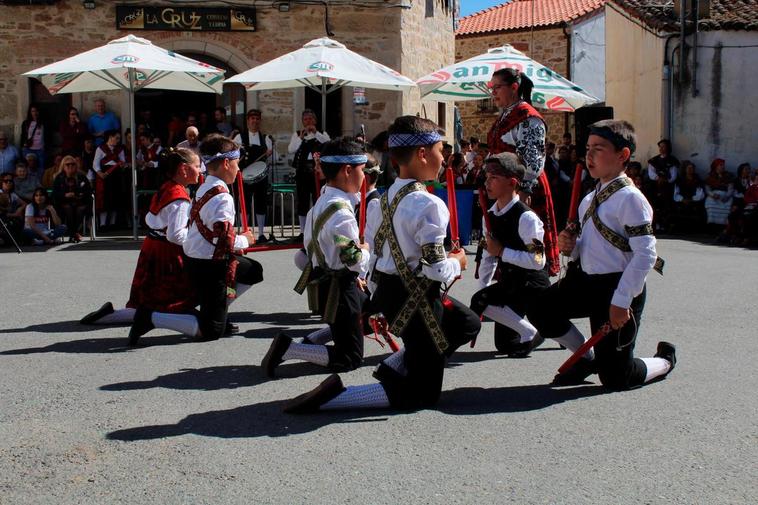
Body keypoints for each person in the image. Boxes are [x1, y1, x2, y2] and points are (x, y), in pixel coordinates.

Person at [283, 116, 480, 414]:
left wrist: (379, 293)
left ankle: (398, 364)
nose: (444, 158)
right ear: (422, 154)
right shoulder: (429, 205)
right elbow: (436, 270)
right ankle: (336, 397)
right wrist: (458, 261)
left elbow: (373, 258)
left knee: (466, 323)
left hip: (391, 292)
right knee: (422, 394)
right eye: (441, 150)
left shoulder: (380, 201)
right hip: (417, 300)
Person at [530, 119, 675, 389]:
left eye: (599, 148)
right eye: (588, 148)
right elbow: (588, 248)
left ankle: (665, 359)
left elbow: (645, 255)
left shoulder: (631, 198)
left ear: (622, 156)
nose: (589, 155)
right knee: (540, 308)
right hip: (586, 282)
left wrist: (621, 301)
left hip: (617, 287)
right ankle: (586, 357)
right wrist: (571, 247)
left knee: (617, 378)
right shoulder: (589, 198)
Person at [127, 135, 263, 345]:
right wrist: (245, 240)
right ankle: (150, 317)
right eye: (236, 164)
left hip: (195, 258)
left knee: (253, 270)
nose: (238, 169)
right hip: (209, 264)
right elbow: (223, 242)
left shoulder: (203, 187)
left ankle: (219, 310)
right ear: (226, 163)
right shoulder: (223, 197)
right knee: (211, 332)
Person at [262, 138, 370, 376]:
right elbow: (352, 258)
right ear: (348, 170)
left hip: (324, 285)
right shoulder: (341, 212)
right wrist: (366, 250)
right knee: (349, 358)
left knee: (370, 310)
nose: (364, 177)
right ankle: (290, 349)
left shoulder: (321, 203)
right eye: (362, 170)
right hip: (340, 290)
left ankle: (312, 339)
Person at [80, 148, 213, 329]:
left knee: (147, 299)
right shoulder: (180, 198)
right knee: (171, 300)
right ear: (183, 169)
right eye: (197, 166)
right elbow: (175, 235)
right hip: (166, 254)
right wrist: (198, 239)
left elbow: (151, 218)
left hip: (152, 247)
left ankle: (110, 316)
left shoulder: (167, 188)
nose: (201, 169)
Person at [469, 153, 550, 357]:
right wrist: (485, 289)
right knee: (506, 345)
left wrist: (503, 252)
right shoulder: (489, 215)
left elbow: (538, 261)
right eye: (486, 177)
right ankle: (533, 332)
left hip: (531, 284)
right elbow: (488, 256)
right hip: (511, 282)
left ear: (512, 182)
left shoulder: (527, 218)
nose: (487, 182)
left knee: (481, 300)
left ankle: (532, 331)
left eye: (494, 177)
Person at [487, 68, 560, 276]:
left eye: (497, 87)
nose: (493, 93)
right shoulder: (505, 116)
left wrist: (524, 190)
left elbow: (533, 160)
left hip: (523, 188)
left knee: (528, 243)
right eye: (492, 88)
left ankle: (534, 280)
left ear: (514, 87)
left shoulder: (529, 117)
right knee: (507, 241)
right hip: (504, 188)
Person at [234, 109, 274, 243]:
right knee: (244, 202)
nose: (255, 121)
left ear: (260, 121)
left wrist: (271, 153)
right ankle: (244, 232)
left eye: (257, 119)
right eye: (252, 119)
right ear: (248, 121)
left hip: (261, 177)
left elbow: (275, 156)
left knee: (260, 203)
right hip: (244, 176)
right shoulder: (239, 138)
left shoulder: (266, 138)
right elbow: (233, 155)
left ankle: (261, 233)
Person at [289, 109, 330, 236]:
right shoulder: (297, 135)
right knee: (303, 201)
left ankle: (318, 229)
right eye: (306, 119)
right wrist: (301, 137)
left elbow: (328, 144)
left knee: (318, 199)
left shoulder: (322, 133)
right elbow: (291, 149)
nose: (308, 122)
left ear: (315, 121)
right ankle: (302, 232)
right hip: (302, 171)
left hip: (317, 171)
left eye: (311, 119)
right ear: (302, 121)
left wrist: (315, 133)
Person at [52, 155, 91, 243]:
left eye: (73, 164)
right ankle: (74, 233)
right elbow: (55, 193)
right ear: (63, 166)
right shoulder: (58, 177)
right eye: (68, 164)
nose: (70, 166)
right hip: (63, 202)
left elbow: (88, 190)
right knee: (68, 208)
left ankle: (73, 233)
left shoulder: (81, 176)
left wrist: (77, 194)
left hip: (80, 201)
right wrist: (65, 195)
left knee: (80, 209)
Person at [93, 130, 126, 230]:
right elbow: (95, 163)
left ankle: (112, 223)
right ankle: (103, 224)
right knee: (104, 199)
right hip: (105, 176)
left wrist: (122, 165)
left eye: (119, 138)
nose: (118, 140)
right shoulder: (101, 149)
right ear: (110, 137)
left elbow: (123, 162)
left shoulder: (120, 149)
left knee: (115, 199)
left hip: (116, 175)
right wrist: (100, 173)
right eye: (116, 138)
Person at [645, 139, 679, 232]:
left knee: (667, 204)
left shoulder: (672, 161)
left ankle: (666, 225)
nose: (661, 148)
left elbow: (673, 175)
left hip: (668, 187)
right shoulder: (654, 161)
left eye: (663, 146)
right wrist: (658, 178)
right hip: (655, 186)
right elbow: (651, 174)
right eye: (660, 147)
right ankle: (655, 224)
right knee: (654, 203)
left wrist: (665, 180)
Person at [670, 160, 705, 233]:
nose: (690, 170)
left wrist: (691, 199)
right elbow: (676, 193)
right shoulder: (679, 180)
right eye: (688, 168)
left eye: (691, 168)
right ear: (685, 169)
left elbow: (700, 194)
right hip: (682, 201)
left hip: (694, 202)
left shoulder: (697, 180)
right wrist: (682, 199)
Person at [704, 158, 734, 230]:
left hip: (725, 195)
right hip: (714, 196)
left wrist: (727, 196)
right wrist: (713, 195)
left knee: (727, 204)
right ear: (716, 166)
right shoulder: (710, 176)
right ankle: (712, 226)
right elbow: (707, 189)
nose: (723, 166)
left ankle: (723, 227)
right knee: (711, 204)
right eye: (721, 165)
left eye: (723, 165)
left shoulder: (728, 176)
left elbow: (731, 188)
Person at [20, 104, 48, 173]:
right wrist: (23, 146)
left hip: (40, 149)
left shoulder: (44, 123)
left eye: (36, 111)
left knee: (41, 169)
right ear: (30, 112)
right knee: (28, 169)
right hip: (28, 149)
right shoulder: (26, 123)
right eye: (33, 111)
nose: (35, 113)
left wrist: (46, 147)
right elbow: (23, 135)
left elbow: (48, 135)